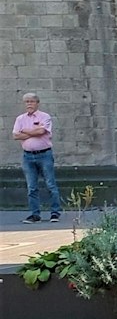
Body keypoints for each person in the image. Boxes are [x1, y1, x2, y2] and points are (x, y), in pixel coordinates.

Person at [14, 92, 58, 222]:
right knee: (31, 187)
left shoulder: (45, 117)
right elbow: (16, 135)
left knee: (50, 184)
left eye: (32, 101)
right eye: (27, 102)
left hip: (44, 155)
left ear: (37, 103)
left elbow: (42, 131)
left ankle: (55, 213)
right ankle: (35, 214)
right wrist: (34, 132)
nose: (29, 104)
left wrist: (24, 131)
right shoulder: (20, 119)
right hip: (28, 156)